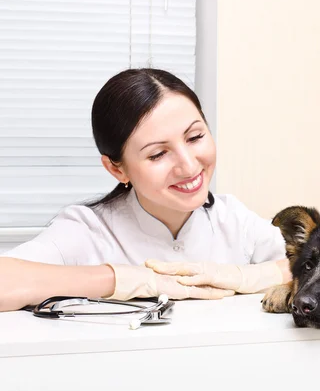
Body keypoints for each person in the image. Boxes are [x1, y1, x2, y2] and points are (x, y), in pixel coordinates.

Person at [0, 68, 291, 312]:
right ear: (117, 169)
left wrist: (243, 276)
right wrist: (124, 280)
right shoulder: (88, 230)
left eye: (195, 137)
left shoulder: (232, 219)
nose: (189, 166)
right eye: (157, 154)